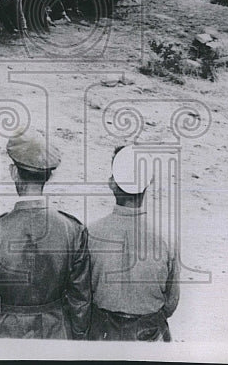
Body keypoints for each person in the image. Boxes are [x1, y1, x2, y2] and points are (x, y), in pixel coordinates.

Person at [0, 132, 91, 339]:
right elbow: (81, 301)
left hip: (6, 337)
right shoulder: (73, 229)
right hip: (57, 336)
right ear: (49, 176)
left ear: (13, 172)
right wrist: (79, 341)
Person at [87, 146, 179, 341]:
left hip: (101, 335)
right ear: (148, 183)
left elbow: (80, 296)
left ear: (112, 183)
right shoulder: (165, 239)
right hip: (148, 335)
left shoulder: (89, 234)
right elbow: (171, 303)